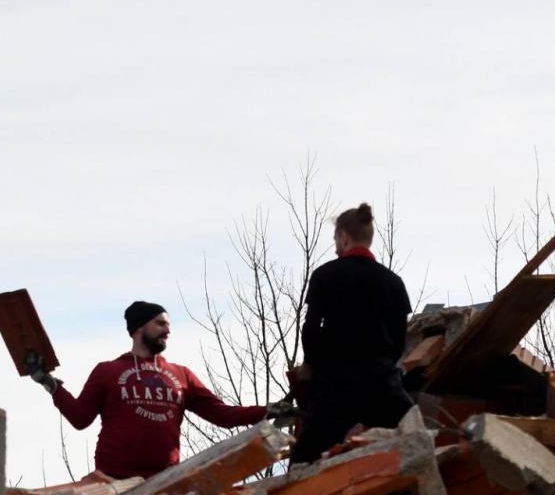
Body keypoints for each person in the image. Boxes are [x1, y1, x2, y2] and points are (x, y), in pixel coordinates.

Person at [30, 301, 268, 479]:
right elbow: (80, 418)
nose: (168, 330)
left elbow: (223, 415)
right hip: (113, 480)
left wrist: (270, 411)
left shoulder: (182, 375)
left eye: (168, 325)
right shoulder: (108, 371)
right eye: (160, 323)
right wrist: (49, 383)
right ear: (139, 328)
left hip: (165, 482)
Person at [295, 204, 416, 466]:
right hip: (382, 384)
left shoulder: (325, 275)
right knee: (415, 441)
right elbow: (400, 339)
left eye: (335, 240)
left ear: (343, 237)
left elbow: (311, 327)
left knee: (303, 461)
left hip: (335, 384)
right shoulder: (393, 282)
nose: (335, 248)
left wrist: (310, 365)